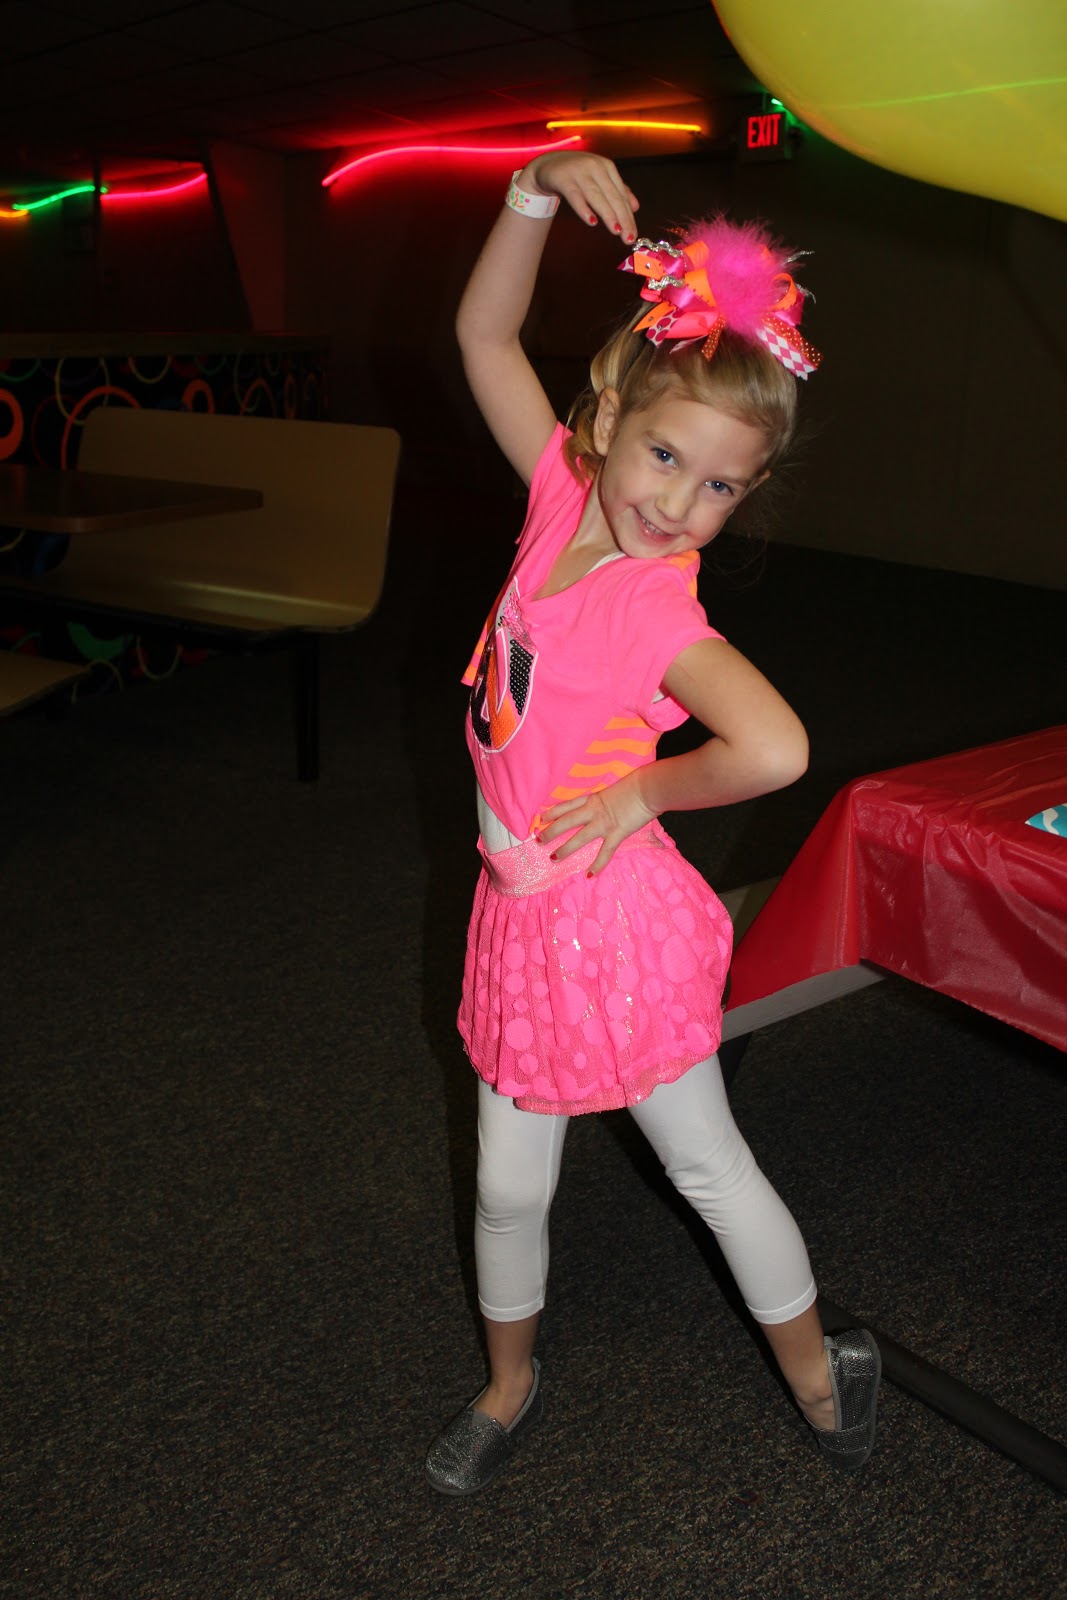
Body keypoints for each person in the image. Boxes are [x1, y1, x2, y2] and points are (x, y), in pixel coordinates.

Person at [425, 150, 880, 1496]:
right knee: (509, 1187)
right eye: (667, 456)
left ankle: (818, 1372)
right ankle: (509, 1382)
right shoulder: (563, 497)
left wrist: (644, 792)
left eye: (720, 488)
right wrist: (529, 191)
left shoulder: (654, 603)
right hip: (518, 915)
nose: (678, 504)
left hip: (610, 931)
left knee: (704, 1164)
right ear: (610, 413)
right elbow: (484, 334)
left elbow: (776, 747)